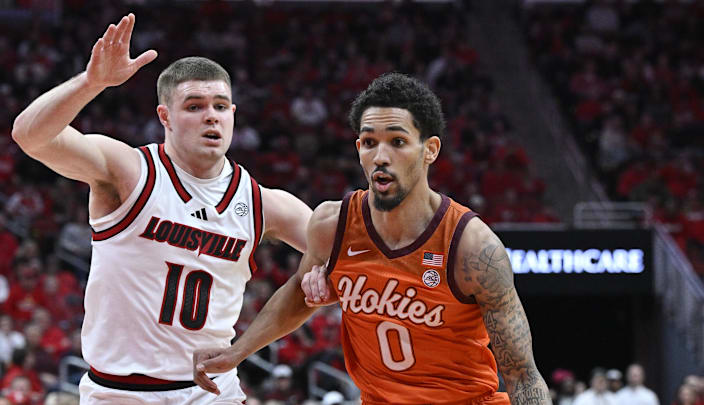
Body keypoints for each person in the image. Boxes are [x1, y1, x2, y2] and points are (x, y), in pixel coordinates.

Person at [193, 73, 551, 404]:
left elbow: (523, 375)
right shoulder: (332, 223)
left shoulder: (472, 247)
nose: (380, 156)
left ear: (430, 149)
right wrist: (236, 352)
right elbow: (299, 293)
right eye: (369, 142)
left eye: (397, 141)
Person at [11, 13, 311, 404]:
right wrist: (91, 82)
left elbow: (350, 251)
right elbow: (29, 136)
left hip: (212, 391)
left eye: (221, 106)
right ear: (165, 117)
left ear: (233, 115)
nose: (211, 116)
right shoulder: (129, 172)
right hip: (119, 393)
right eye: (195, 106)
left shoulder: (263, 203)